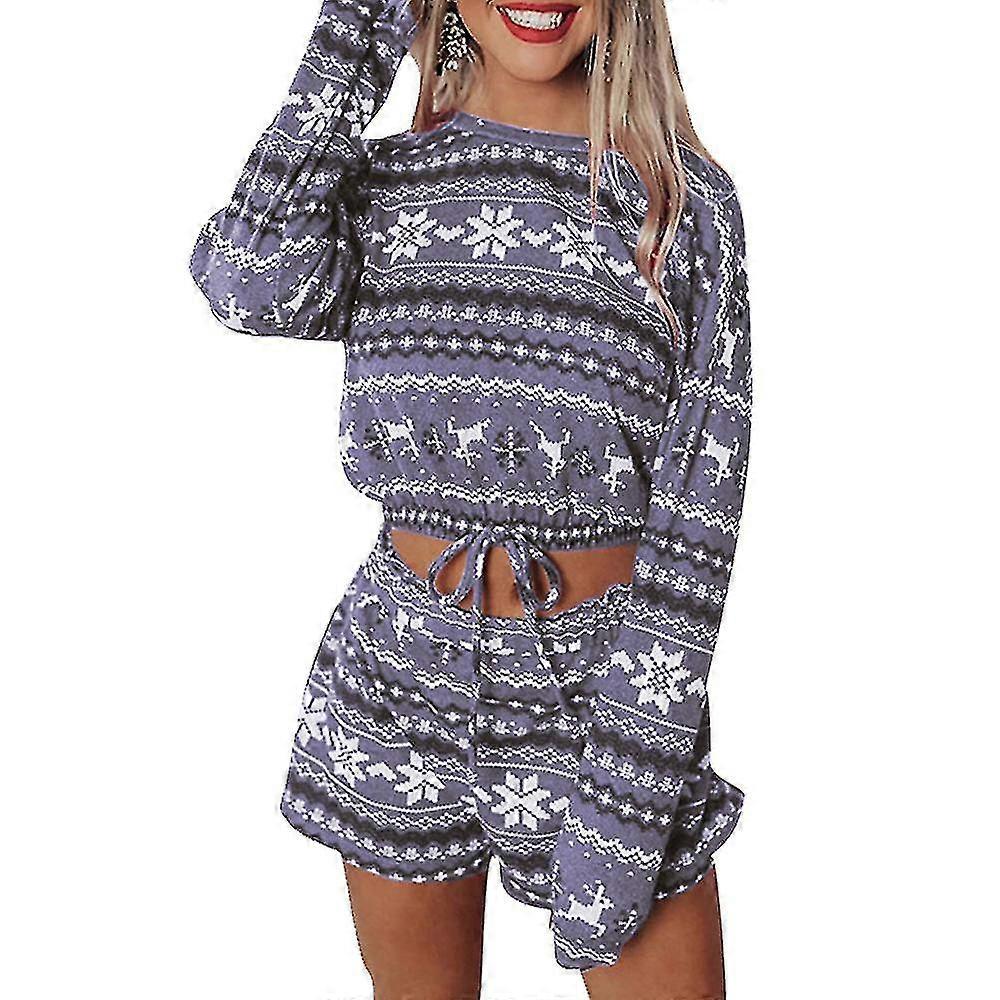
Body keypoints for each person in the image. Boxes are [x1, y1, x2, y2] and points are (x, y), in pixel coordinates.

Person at [189, 2, 752, 997]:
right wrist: (362, 28)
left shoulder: (681, 204)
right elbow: (245, 279)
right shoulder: (384, 191)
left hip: (602, 693)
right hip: (398, 671)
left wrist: (634, 773)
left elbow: (701, 509)